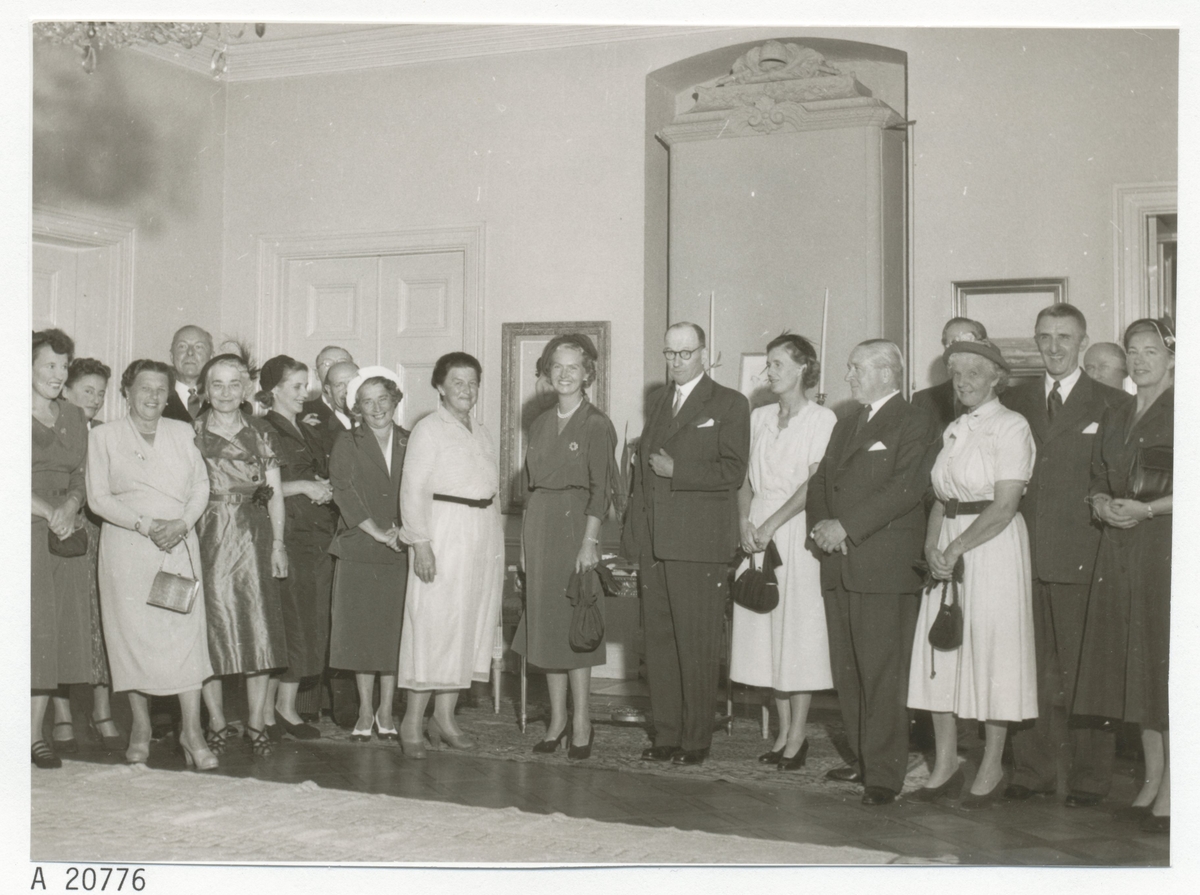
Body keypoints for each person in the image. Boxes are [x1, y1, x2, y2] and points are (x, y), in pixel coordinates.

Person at [1001, 305, 1132, 808]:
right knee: (1028, 667)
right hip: (1022, 552)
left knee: (1085, 671)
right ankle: (1031, 770)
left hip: (1083, 553)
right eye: (1045, 337)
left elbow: (1117, 477)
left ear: (1082, 342)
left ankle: (1090, 778)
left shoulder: (1112, 402)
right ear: (1035, 341)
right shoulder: (1014, 400)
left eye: (1064, 337)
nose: (1054, 347)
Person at [807, 339, 941, 805]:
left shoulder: (915, 420)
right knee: (848, 673)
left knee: (883, 675)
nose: (848, 376)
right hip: (840, 563)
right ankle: (864, 760)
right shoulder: (846, 423)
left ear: (887, 373)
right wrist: (822, 529)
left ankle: (884, 775)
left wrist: (846, 526)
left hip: (883, 568)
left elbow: (905, 488)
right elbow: (821, 482)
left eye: (856, 368)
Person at [906, 339, 1038, 806]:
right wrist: (932, 548)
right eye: (956, 373)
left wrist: (956, 548)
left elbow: (1004, 506)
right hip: (948, 547)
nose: (962, 382)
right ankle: (945, 765)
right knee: (941, 652)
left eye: (974, 373)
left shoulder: (1011, 426)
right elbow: (942, 498)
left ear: (997, 378)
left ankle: (991, 766)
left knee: (991, 653)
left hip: (991, 547)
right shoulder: (955, 428)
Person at [621, 322, 751, 766]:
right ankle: (667, 734)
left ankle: (695, 740)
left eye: (685, 353)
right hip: (655, 544)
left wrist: (679, 472)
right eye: (670, 353)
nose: (676, 362)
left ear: (704, 354)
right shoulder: (660, 400)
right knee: (659, 644)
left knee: (695, 646)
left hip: (698, 545)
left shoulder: (730, 403)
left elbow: (734, 470)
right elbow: (642, 476)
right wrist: (635, 539)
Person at [85, 359, 218, 770]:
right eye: (145, 387)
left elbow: (201, 485)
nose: (153, 396)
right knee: (132, 639)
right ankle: (140, 728)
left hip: (177, 544)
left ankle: (191, 731)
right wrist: (144, 524)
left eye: (161, 389)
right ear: (127, 391)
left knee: (185, 638)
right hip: (128, 547)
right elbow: (98, 498)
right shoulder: (103, 436)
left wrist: (182, 523)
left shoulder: (184, 432)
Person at [1075, 318, 1174, 834]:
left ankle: (1177, 788)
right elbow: (1098, 474)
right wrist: (1099, 502)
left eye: (1150, 351)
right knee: (1139, 669)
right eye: (1133, 351)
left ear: (1172, 357)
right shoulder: (1117, 411)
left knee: (1166, 666)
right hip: (1119, 547)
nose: (1139, 360)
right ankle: (1152, 779)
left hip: (1165, 547)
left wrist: (1148, 509)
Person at [730, 334, 836, 770]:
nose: (769, 372)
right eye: (768, 364)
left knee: (796, 632)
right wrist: (745, 521)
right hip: (756, 528)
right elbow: (744, 479)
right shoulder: (759, 417)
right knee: (766, 632)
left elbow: (814, 484)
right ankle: (781, 730)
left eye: (777, 364)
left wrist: (771, 524)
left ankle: (798, 735)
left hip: (795, 531)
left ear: (802, 368)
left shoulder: (821, 419)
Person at [512, 334, 617, 760]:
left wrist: (589, 542)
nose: (564, 374)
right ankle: (556, 721)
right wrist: (524, 546)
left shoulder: (596, 424)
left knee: (575, 625)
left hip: (576, 528)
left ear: (588, 373)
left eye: (573, 367)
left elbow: (601, 490)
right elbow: (530, 488)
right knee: (546, 627)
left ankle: (582, 722)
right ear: (547, 371)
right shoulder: (539, 423)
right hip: (539, 526)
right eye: (557, 366)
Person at [398, 353, 504, 755]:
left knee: (467, 624)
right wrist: (420, 543)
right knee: (433, 625)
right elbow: (412, 489)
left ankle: (444, 718)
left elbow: (490, 490)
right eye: (457, 382)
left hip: (481, 533)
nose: (466, 389)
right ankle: (411, 722)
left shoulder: (482, 432)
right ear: (440, 387)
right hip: (442, 532)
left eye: (473, 382)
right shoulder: (428, 429)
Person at [193, 354, 289, 757]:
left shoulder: (261, 432)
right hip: (207, 534)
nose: (226, 392)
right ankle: (216, 721)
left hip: (254, 536)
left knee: (257, 628)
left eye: (234, 384)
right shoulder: (192, 432)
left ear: (246, 389)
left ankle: (255, 722)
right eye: (217, 384)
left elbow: (276, 494)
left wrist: (279, 544)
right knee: (210, 631)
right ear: (205, 389)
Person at [326, 367, 409, 746]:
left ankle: (386, 711)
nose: (376, 408)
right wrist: (376, 531)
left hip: (401, 547)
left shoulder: (412, 440)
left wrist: (404, 531)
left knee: (392, 634)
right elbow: (343, 489)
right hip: (360, 547)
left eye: (383, 399)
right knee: (361, 634)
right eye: (367, 402)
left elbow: (421, 489)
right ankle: (364, 709)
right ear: (356, 408)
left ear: (395, 400)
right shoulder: (348, 441)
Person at [258, 356, 337, 740]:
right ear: (274, 390)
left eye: (306, 386)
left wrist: (321, 485)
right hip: (288, 534)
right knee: (289, 625)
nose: (305, 393)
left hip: (315, 534)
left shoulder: (303, 427)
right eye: (297, 386)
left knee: (306, 624)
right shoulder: (263, 429)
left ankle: (281, 708)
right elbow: (257, 488)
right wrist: (304, 487)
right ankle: (274, 711)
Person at [31, 329, 93, 769]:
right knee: (28, 630)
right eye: (49, 365)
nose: (58, 374)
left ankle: (34, 734)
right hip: (24, 528)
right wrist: (47, 510)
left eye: (64, 366)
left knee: (52, 635)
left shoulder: (73, 414)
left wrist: (69, 506)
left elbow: (80, 474)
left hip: (64, 533)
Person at [60, 358, 125, 752]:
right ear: (65, 390)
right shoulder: (51, 429)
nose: (96, 399)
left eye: (101, 393)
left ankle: (101, 710)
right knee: (65, 621)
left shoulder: (104, 433)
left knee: (101, 620)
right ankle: (62, 713)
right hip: (63, 534)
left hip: (101, 534)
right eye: (88, 390)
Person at [911, 318, 988, 431]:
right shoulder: (923, 400)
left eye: (967, 342)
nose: (960, 350)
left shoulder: (1010, 399)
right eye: (953, 343)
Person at [163, 325, 214, 423]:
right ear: (171, 356)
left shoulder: (224, 398)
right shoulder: (159, 397)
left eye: (198, 347)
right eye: (182, 346)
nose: (190, 352)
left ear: (211, 356)